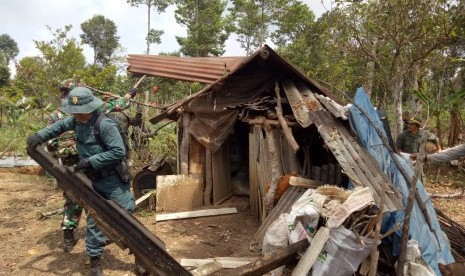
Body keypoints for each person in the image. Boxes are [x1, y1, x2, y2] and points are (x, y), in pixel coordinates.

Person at [27, 87, 137, 276]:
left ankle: (141, 257)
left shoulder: (105, 124)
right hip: (93, 180)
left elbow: (119, 152)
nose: (76, 115)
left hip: (113, 179)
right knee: (95, 219)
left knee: (126, 217)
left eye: (80, 112)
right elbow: (58, 127)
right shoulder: (76, 121)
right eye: (74, 112)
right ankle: (95, 261)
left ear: (90, 108)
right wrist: (39, 135)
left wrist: (90, 161)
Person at [48, 80, 139, 254]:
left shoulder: (56, 114)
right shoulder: (91, 109)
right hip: (88, 161)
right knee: (98, 200)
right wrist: (130, 94)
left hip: (70, 163)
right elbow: (118, 104)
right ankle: (111, 235)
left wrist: (56, 163)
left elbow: (51, 142)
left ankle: (68, 234)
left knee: (72, 197)